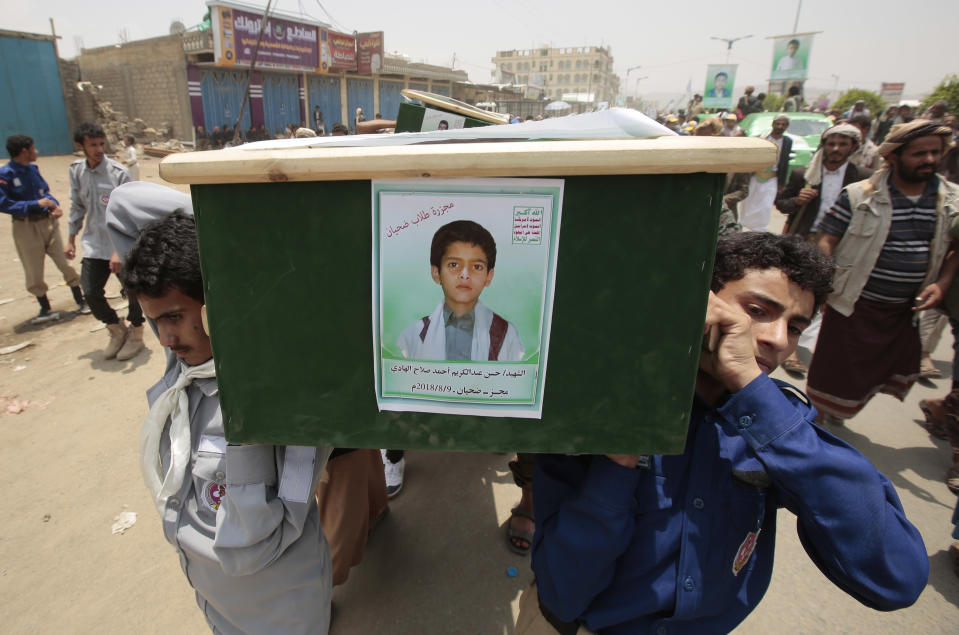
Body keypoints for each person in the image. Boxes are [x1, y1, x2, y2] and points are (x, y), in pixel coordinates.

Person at [517, 232, 928, 635]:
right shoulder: (601, 401)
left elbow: (896, 577)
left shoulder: (778, 421)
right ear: (702, 300)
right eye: (758, 310)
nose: (778, 340)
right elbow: (562, 593)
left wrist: (752, 390)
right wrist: (619, 461)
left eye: (796, 327)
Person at [106, 182, 332, 634]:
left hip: (278, 604)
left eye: (172, 317)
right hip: (210, 594)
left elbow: (251, 546)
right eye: (155, 320)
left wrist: (242, 258)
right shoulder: (187, 358)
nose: (165, 339)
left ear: (221, 302)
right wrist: (219, 232)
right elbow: (123, 204)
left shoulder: (277, 388)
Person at [807, 120, 959, 425]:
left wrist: (942, 284)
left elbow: (956, 247)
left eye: (934, 153)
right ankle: (815, 426)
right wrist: (822, 287)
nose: (929, 160)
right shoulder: (859, 195)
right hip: (853, 303)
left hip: (904, 309)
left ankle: (837, 412)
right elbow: (827, 240)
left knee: (875, 371)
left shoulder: (951, 199)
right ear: (894, 156)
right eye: (919, 154)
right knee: (833, 372)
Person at [776, 123, 873, 376]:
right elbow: (782, 205)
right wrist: (798, 201)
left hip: (846, 245)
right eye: (831, 144)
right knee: (797, 296)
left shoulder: (863, 177)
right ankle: (791, 350)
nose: (835, 149)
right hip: (807, 240)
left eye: (842, 144)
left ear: (853, 147)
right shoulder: (804, 174)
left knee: (834, 297)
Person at [396, 219, 525, 362]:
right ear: (436, 273)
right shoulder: (413, 336)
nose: (465, 274)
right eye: (454, 264)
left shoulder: (506, 335)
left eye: (476, 267)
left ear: (489, 276)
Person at [67, 122, 143, 361]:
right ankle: (116, 328)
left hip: (119, 243)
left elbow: (131, 212)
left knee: (134, 291)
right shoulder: (77, 171)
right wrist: (70, 238)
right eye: (93, 145)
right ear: (81, 146)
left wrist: (118, 252)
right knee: (90, 291)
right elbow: (77, 207)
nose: (99, 149)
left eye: (101, 144)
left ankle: (136, 334)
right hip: (93, 244)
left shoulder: (118, 173)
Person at [0, 134, 87, 322]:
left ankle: (81, 300)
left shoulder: (33, 169)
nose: (36, 151)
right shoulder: (5, 174)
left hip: (48, 223)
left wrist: (53, 205)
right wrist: (35, 204)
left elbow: (45, 192)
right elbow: (3, 203)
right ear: (24, 151)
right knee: (34, 269)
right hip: (25, 227)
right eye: (33, 148)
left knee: (66, 262)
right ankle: (45, 309)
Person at [737, 115, 792, 231]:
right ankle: (743, 224)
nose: (780, 126)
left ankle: (760, 229)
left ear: (787, 126)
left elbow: (785, 162)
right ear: (773, 124)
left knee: (766, 205)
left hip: (772, 178)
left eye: (783, 124)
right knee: (749, 202)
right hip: (756, 176)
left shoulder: (787, 141)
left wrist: (782, 183)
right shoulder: (762, 138)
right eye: (778, 123)